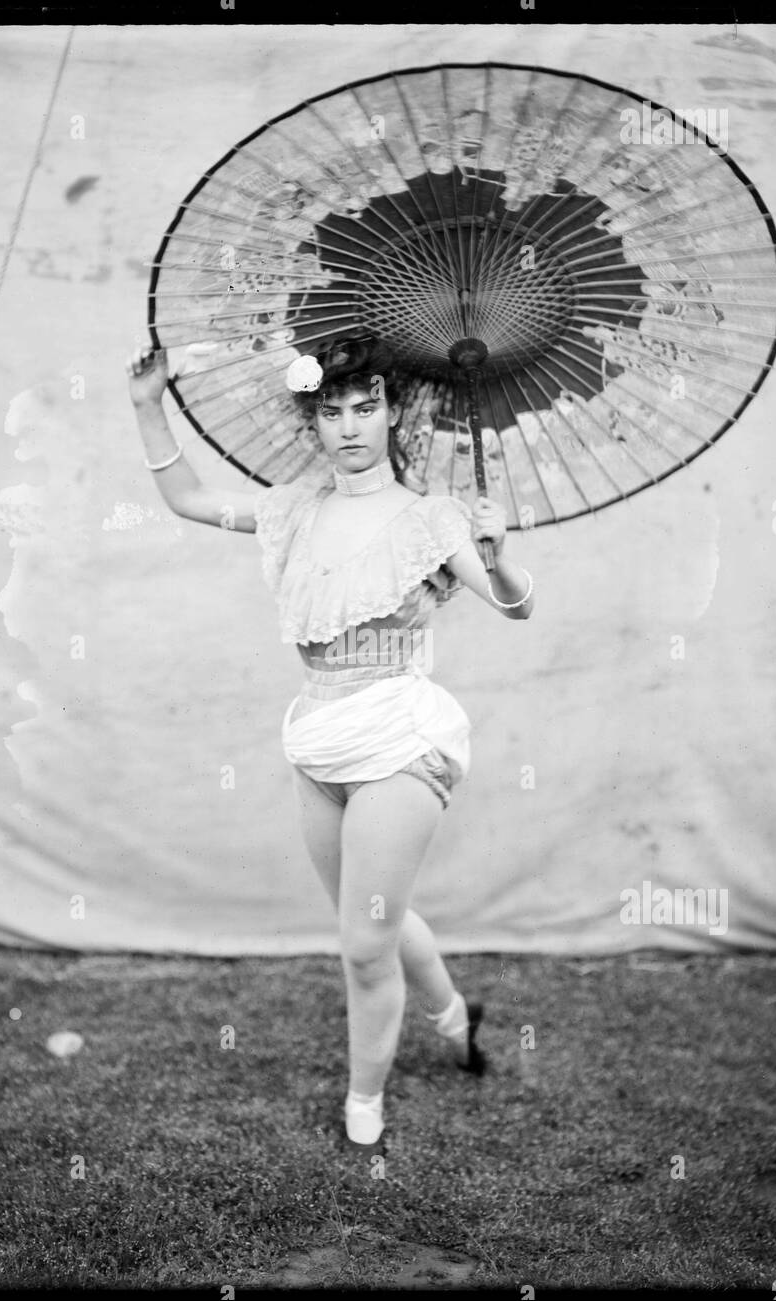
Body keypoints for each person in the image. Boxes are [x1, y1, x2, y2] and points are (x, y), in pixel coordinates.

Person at [126, 335, 534, 1154]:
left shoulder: (429, 517)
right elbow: (191, 503)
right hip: (317, 735)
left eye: (364, 408)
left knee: (361, 943)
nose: (349, 426)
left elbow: (512, 606)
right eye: (331, 411)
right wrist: (146, 404)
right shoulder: (293, 511)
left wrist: (500, 556)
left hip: (397, 736)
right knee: (370, 913)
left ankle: (363, 1105)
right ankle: (455, 1020)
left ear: (391, 414)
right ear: (314, 421)